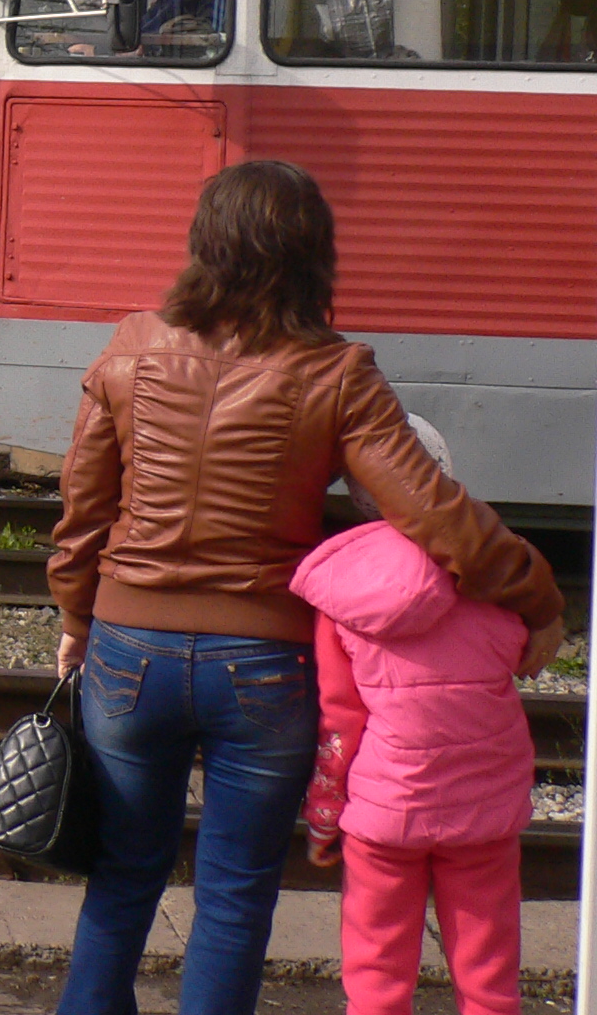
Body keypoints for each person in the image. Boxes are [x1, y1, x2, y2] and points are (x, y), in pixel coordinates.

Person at [47, 161, 562, 1015]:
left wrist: (75, 613)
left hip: (128, 652)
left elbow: (83, 509)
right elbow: (434, 514)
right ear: (314, 257)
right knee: (237, 894)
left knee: (121, 875)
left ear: (204, 243)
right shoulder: (336, 372)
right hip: (265, 665)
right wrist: (535, 595)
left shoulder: (133, 344)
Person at [294, 419, 535, 1015]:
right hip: (486, 805)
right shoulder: (494, 572)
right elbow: (522, 653)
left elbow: (339, 721)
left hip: (385, 811)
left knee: (376, 972)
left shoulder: (345, 594)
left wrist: (326, 819)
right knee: (488, 974)